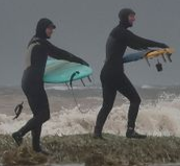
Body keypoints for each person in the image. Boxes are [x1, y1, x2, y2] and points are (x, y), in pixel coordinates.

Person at [12, 18, 87, 154]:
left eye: (52, 28)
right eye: (49, 28)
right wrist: (80, 61)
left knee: (38, 115)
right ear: (42, 28)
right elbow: (60, 54)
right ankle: (20, 133)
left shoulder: (33, 41)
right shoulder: (41, 44)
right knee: (45, 115)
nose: (52, 31)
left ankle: (36, 147)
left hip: (27, 80)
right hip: (34, 82)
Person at [93, 8, 170, 139]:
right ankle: (130, 131)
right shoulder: (121, 32)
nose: (134, 19)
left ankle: (97, 133)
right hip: (115, 73)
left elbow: (136, 46)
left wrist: (152, 50)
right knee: (135, 100)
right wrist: (161, 45)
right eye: (131, 16)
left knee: (107, 105)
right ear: (124, 17)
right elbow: (140, 41)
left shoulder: (117, 32)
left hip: (106, 72)